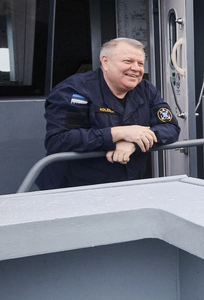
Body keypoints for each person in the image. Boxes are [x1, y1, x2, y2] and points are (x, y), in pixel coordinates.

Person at [37, 37, 180, 189]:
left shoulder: (146, 90)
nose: (136, 68)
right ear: (105, 62)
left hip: (127, 185)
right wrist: (117, 133)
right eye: (128, 61)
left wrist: (133, 143)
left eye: (140, 63)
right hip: (74, 188)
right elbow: (59, 140)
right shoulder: (75, 90)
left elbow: (171, 128)